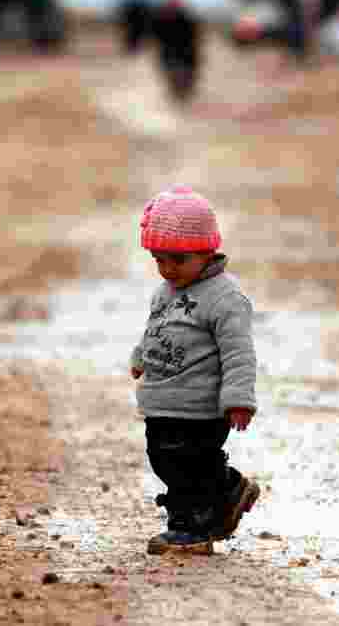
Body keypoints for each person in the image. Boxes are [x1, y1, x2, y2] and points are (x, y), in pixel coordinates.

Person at [130, 185, 261, 555]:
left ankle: (192, 528)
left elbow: (238, 353)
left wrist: (239, 400)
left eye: (177, 259)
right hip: (161, 400)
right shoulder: (165, 291)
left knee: (188, 466)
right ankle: (229, 488)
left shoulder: (225, 298)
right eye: (159, 260)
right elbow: (157, 328)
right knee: (164, 459)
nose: (167, 269)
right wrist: (141, 356)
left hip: (201, 407)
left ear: (206, 252)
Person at [149, 0, 202, 103]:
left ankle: (182, 94)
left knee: (182, 76)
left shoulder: (186, 19)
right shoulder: (162, 19)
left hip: (183, 54)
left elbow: (195, 36)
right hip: (174, 54)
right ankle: (179, 94)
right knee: (175, 75)